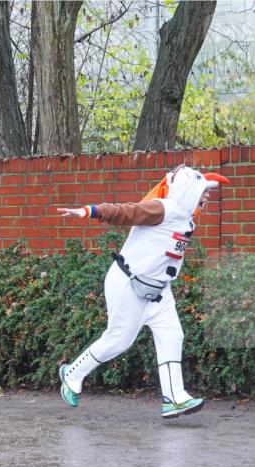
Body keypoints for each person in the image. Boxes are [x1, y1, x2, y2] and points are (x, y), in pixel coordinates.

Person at [56, 164, 230, 419]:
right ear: (188, 191)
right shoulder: (164, 208)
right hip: (129, 283)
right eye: (203, 191)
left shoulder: (184, 215)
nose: (207, 196)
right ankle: (72, 374)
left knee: (173, 335)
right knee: (119, 340)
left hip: (159, 289)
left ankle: (174, 398)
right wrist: (89, 211)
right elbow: (126, 212)